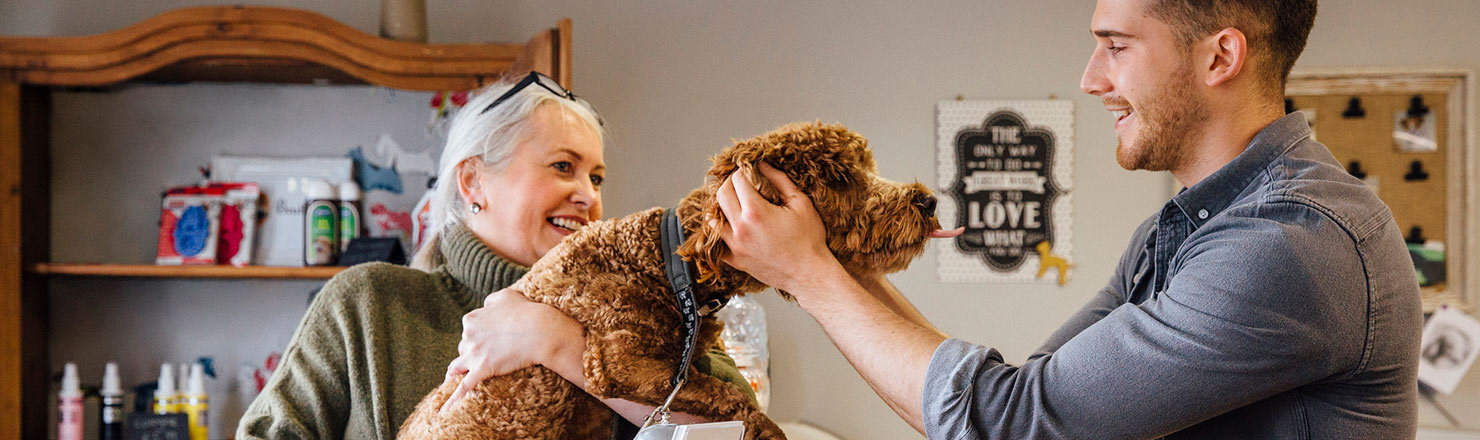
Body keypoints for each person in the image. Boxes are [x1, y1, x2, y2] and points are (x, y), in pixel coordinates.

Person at [712, 0, 1422, 438]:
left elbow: (1011, 424)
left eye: (1116, 45)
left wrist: (810, 276)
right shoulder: (1177, 234)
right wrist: (827, 270)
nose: (1090, 77)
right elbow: (1011, 404)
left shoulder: (1291, 244)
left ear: (1220, 56)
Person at [237, 72, 752, 439]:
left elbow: (743, 426)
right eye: (562, 166)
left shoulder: (649, 319)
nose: (587, 195)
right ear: (472, 181)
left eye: (596, 177)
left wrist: (559, 345)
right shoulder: (369, 306)